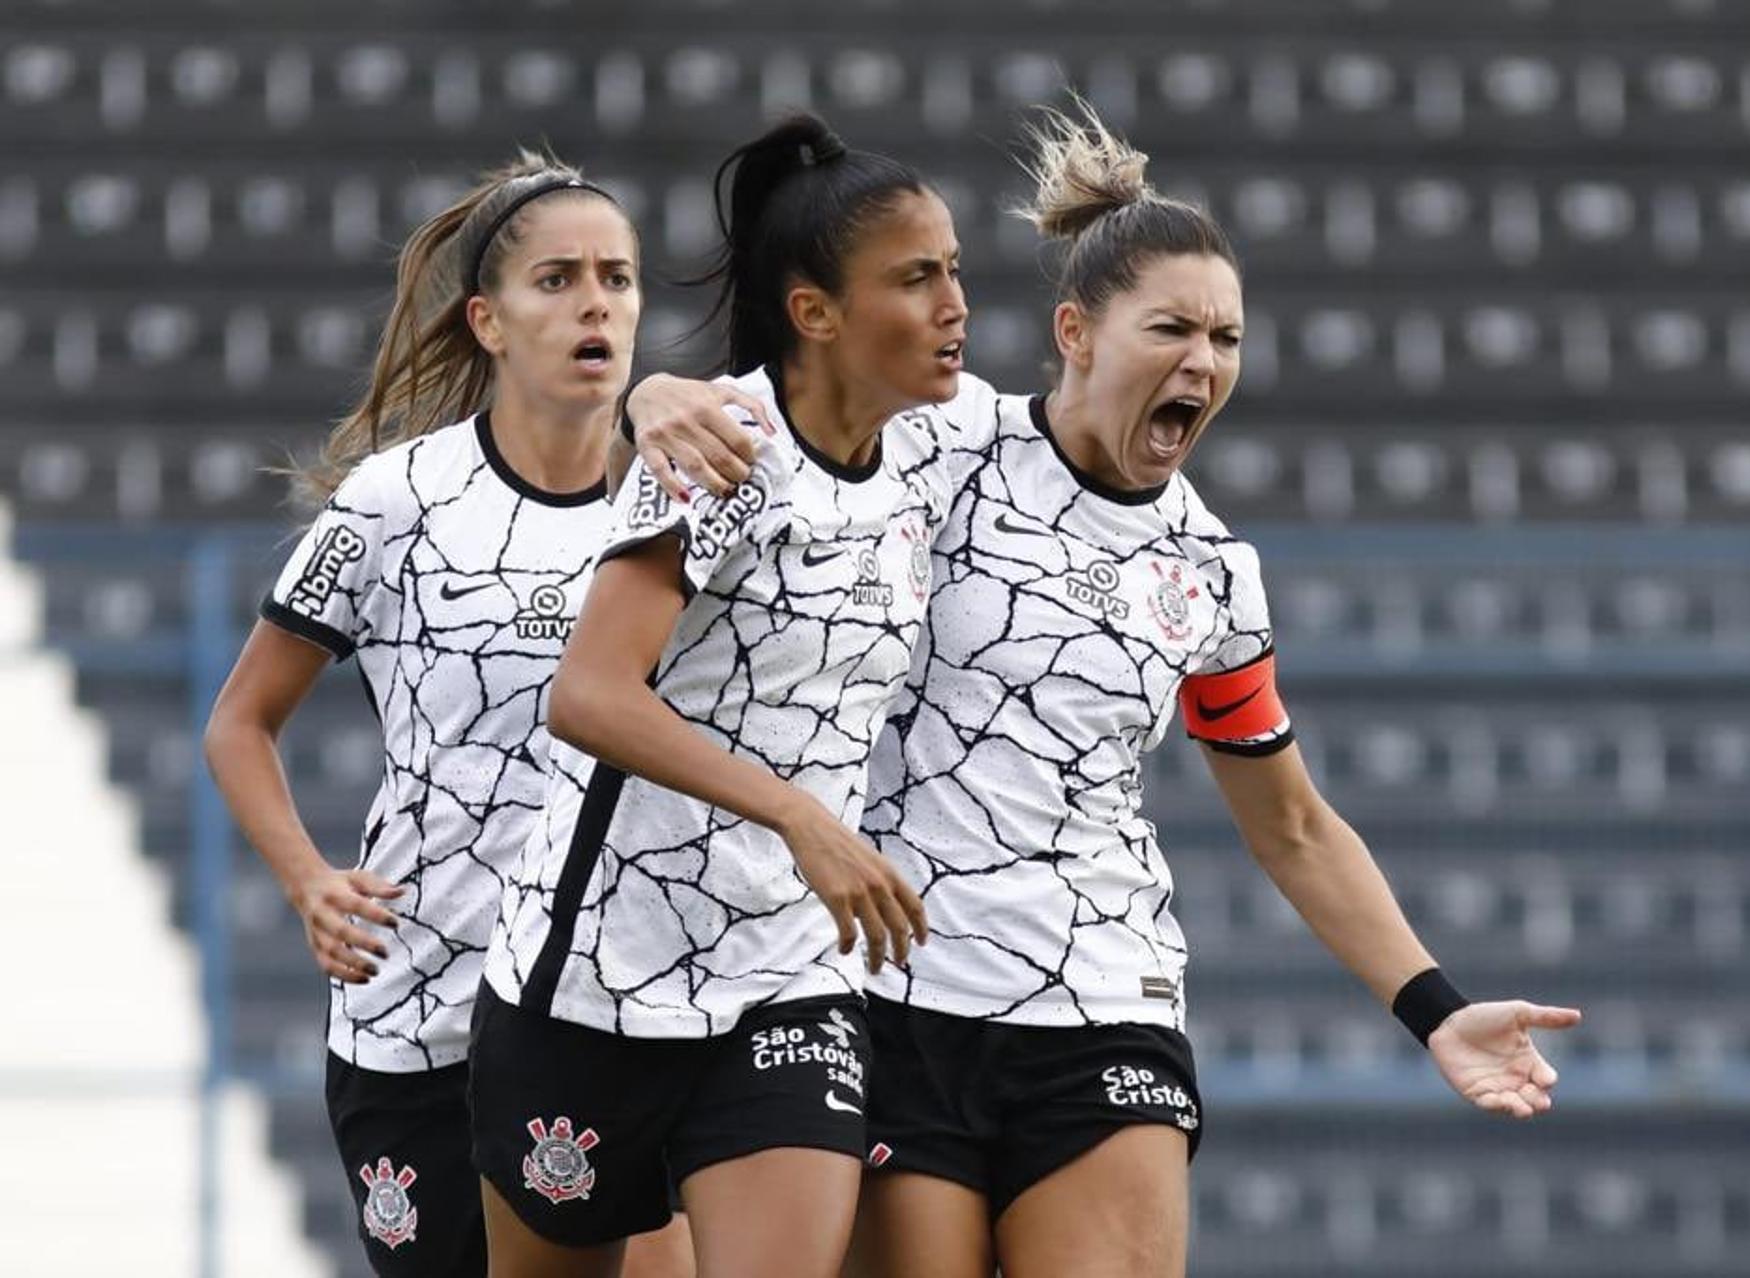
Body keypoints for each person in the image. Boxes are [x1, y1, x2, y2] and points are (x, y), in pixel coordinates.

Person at [622, 104, 1582, 1278]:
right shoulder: (941, 438)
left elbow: (1289, 823)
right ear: (1075, 331)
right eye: (1172, 328)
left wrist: (1435, 1008)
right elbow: (769, 416)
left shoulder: (1213, 574)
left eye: (1227, 339)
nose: (1204, 362)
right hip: (889, 990)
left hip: (1103, 998)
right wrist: (650, 397)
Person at [466, 114, 966, 1278]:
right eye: (917, 277)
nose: (953, 303)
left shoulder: (935, 447)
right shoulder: (726, 450)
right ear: (815, 312)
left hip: (789, 985)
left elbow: (1078, 420)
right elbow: (588, 696)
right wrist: (796, 814)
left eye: (955, 272)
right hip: (589, 983)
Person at [202, 153, 692, 1278]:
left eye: (617, 279)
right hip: (421, 1012)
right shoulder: (395, 502)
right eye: (558, 279)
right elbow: (240, 723)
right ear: (488, 320)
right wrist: (309, 881)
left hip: (613, 1008)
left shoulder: (680, 507)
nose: (596, 304)